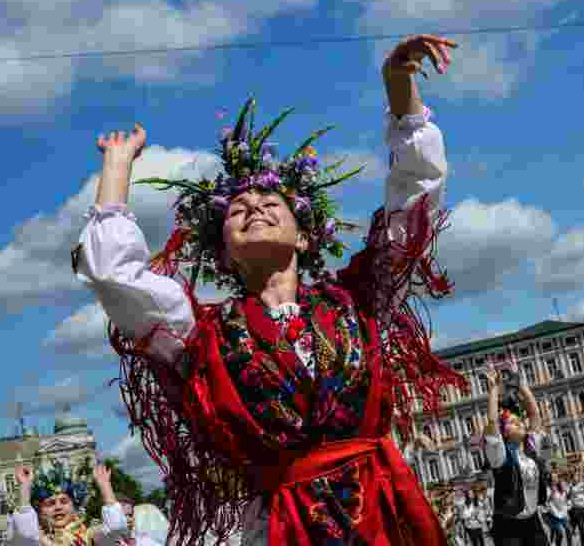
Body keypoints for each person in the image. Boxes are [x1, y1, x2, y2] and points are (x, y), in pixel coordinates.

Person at [75, 34, 465, 545]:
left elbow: (415, 196)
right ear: (223, 253)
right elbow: (113, 275)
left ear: (305, 236)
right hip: (284, 528)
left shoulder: (361, 297)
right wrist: (118, 167)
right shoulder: (200, 335)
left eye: (270, 202)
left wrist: (399, 88)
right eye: (237, 210)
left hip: (382, 515)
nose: (254, 206)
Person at [483, 365, 550, 546]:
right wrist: (494, 390)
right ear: (504, 432)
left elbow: (534, 414)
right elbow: (492, 421)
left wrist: (520, 383)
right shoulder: (500, 454)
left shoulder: (530, 448)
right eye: (513, 422)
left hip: (532, 520)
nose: (519, 422)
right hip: (508, 525)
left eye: (519, 420)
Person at [7, 462, 128, 546]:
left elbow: (116, 531)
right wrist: (24, 487)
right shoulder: (37, 540)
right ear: (40, 511)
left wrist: (105, 486)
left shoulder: (90, 534)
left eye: (64, 501)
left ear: (74, 506)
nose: (58, 507)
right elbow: (25, 535)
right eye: (50, 503)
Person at [567, 469, 584, 546]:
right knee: (582, 530)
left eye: (577, 476)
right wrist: (570, 490)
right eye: (575, 476)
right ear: (572, 478)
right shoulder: (570, 486)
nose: (576, 477)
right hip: (577, 510)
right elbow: (567, 496)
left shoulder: (582, 483)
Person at [543, 482, 570, 546]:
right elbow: (547, 502)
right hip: (554, 515)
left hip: (563, 515)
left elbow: (567, 501)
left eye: (565, 485)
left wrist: (567, 507)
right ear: (559, 487)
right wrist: (549, 509)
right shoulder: (554, 493)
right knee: (560, 533)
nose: (565, 487)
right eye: (563, 485)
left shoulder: (565, 493)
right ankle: (554, 543)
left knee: (569, 529)